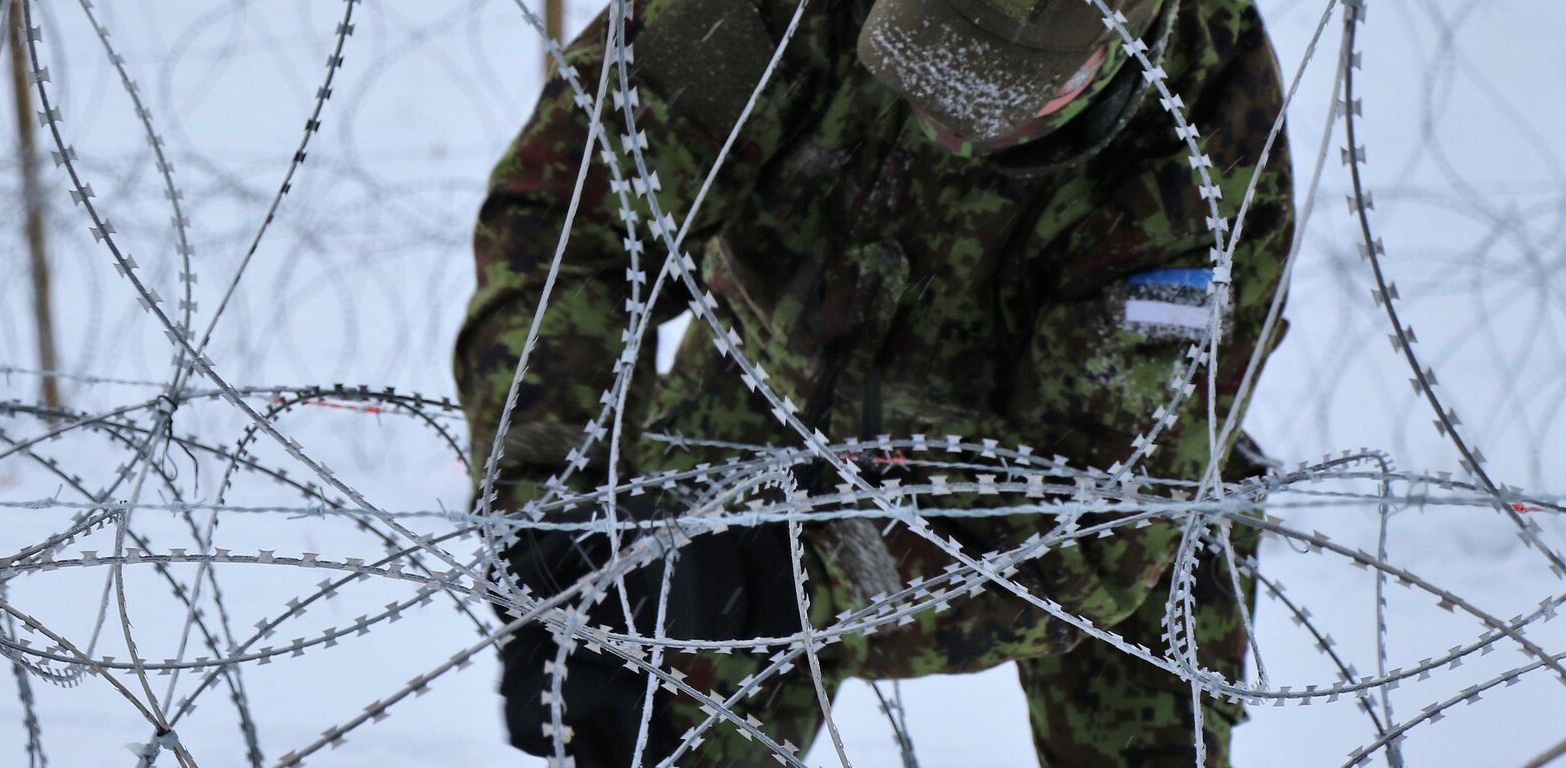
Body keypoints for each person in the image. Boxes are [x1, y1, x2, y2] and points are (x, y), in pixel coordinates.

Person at [453, 0, 1294, 763]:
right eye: (919, 60)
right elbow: (572, 223)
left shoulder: (1207, 145)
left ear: (1114, 52)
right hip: (757, 385)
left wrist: (777, 583)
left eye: (994, 100)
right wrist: (553, 495)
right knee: (652, 729)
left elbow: (1100, 521)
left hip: (1051, 480)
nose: (941, 123)